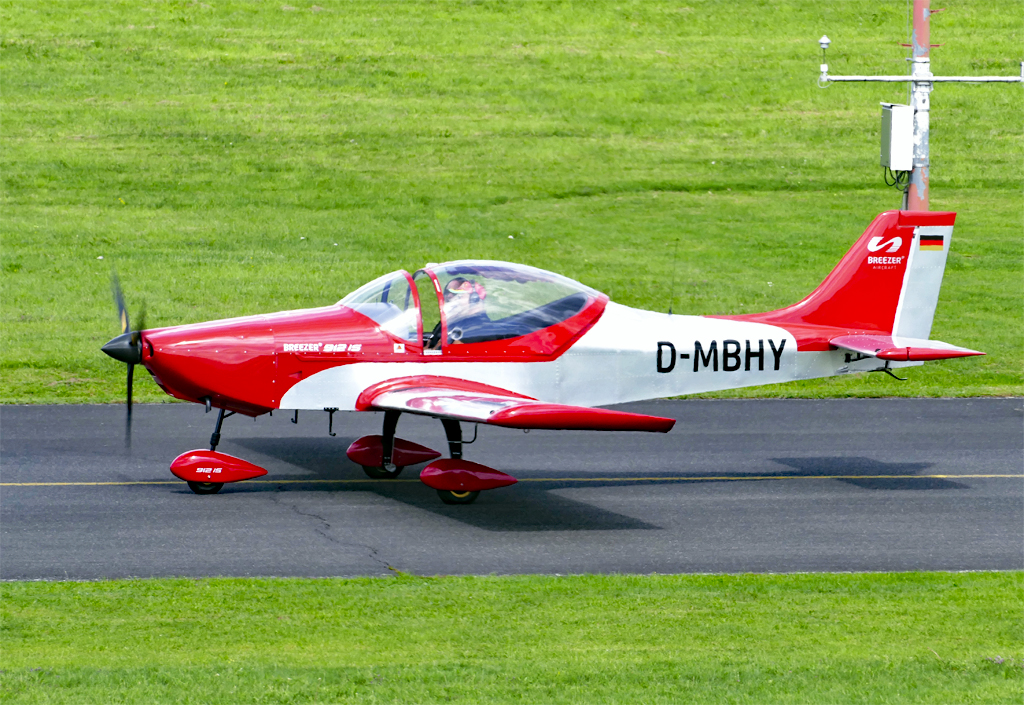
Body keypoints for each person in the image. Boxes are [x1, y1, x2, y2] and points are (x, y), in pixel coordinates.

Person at [441, 277, 494, 344]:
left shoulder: (476, 328)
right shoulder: (464, 321)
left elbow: (451, 349)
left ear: (474, 299)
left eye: (460, 296)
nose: (455, 300)